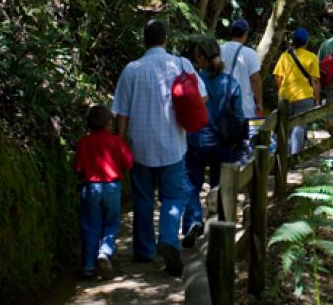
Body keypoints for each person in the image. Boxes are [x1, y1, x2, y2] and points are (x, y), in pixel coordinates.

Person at [112, 19, 207, 276]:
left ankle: (144, 251)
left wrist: (120, 144)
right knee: (172, 197)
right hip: (173, 145)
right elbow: (203, 96)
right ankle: (167, 238)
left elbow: (121, 113)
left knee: (143, 198)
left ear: (144, 40)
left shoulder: (131, 70)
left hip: (140, 148)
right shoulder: (181, 64)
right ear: (166, 39)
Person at [182, 37, 245, 248]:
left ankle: (193, 221)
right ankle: (218, 227)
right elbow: (239, 116)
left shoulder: (193, 81)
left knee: (191, 183)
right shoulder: (230, 83)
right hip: (223, 142)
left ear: (201, 58)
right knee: (220, 184)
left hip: (196, 140)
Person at [74, 105, 133, 278]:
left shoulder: (83, 142)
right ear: (109, 123)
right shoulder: (116, 141)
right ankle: (105, 252)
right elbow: (129, 163)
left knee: (90, 226)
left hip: (90, 188)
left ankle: (88, 266)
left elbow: (78, 168)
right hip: (112, 187)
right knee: (111, 222)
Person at [273, 28, 321, 155]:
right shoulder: (312, 57)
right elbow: (315, 81)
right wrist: (316, 99)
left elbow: (278, 77)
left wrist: (282, 91)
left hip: (285, 98)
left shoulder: (284, 56)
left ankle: (284, 157)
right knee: (299, 128)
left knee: (285, 127)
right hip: (304, 97)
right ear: (306, 42)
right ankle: (294, 159)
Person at [221, 19, 264, 156]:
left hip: (222, 107)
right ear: (245, 34)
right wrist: (259, 102)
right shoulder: (250, 53)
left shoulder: (220, 50)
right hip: (245, 108)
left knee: (224, 145)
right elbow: (255, 80)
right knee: (244, 146)